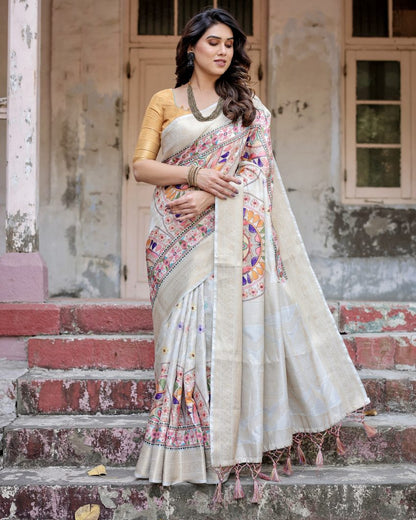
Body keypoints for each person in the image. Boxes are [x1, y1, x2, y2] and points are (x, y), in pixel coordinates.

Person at [132, 8, 369, 493]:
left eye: (229, 44)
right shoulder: (164, 101)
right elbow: (141, 167)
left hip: (227, 236)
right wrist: (196, 176)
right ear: (191, 46)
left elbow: (257, 170)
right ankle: (185, 452)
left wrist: (210, 197)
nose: (222, 51)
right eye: (213, 42)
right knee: (181, 342)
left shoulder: (248, 107)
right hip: (172, 238)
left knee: (222, 337)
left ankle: (231, 443)